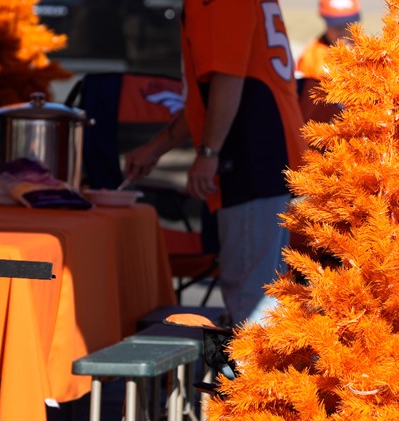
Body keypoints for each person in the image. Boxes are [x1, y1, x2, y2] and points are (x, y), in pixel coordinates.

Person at [124, 0, 306, 326]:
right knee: (263, 293)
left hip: (251, 155)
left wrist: (208, 154)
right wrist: (155, 148)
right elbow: (209, 95)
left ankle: (255, 377)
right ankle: (259, 373)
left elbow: (228, 79)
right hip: (265, 150)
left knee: (252, 300)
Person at [295, 0, 361, 125]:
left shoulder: (368, 53)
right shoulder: (311, 58)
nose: (342, 30)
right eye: (336, 26)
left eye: (348, 24)